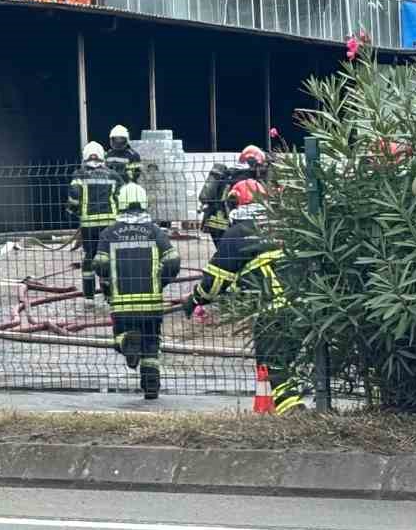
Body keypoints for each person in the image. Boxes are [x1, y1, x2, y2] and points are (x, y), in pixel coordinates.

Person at [185, 179, 301, 414]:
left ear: (234, 205)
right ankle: (292, 405)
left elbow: (216, 280)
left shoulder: (238, 233)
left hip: (272, 309)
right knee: (288, 359)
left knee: (272, 360)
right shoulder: (281, 226)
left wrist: (195, 299)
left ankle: (292, 409)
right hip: (301, 306)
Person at [92, 183, 180, 400]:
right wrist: (160, 281)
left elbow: (99, 264)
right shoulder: (155, 231)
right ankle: (151, 388)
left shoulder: (109, 233)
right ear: (144, 202)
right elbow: (173, 260)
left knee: (121, 337)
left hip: (122, 303)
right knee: (151, 344)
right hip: (151, 302)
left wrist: (109, 280)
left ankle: (127, 343)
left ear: (119, 203)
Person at [66, 142, 119, 300]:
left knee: (90, 256)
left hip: (89, 224)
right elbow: (122, 196)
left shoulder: (80, 174)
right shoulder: (112, 174)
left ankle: (89, 294)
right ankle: (109, 294)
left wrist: (73, 211)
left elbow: (74, 195)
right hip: (110, 223)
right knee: (108, 257)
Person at [197, 145, 270, 242]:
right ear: (253, 163)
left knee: (223, 253)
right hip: (228, 225)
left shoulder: (227, 173)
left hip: (213, 222)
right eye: (259, 166)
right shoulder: (247, 179)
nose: (261, 170)